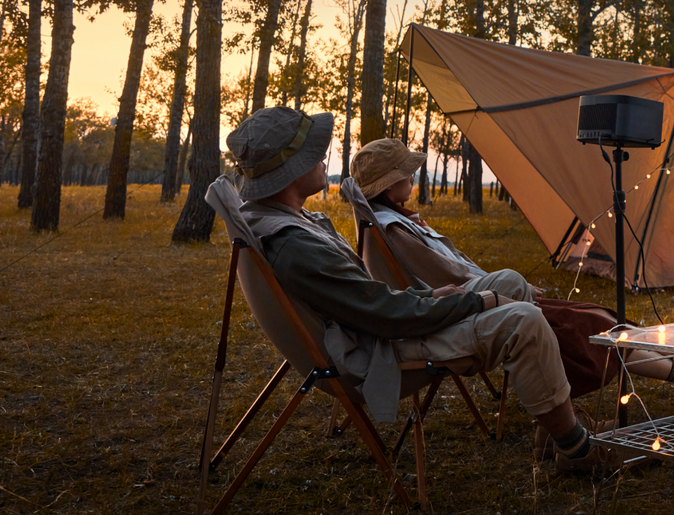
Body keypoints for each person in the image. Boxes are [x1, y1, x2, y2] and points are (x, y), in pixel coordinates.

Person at [225, 107, 614, 473]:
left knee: (510, 288)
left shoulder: (283, 222)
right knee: (523, 321)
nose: (322, 158)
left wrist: (430, 297)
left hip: (375, 330)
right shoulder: (294, 243)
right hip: (376, 351)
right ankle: (576, 449)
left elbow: (367, 299)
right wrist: (475, 300)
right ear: (290, 171)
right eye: (313, 154)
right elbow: (385, 316)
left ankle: (554, 429)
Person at [349, 139, 674, 455]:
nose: (414, 178)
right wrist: (506, 286)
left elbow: (454, 272)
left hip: (484, 304)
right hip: (472, 313)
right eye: (407, 174)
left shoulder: (399, 222)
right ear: (388, 184)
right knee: (586, 329)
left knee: (592, 317)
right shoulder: (394, 230)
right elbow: (451, 279)